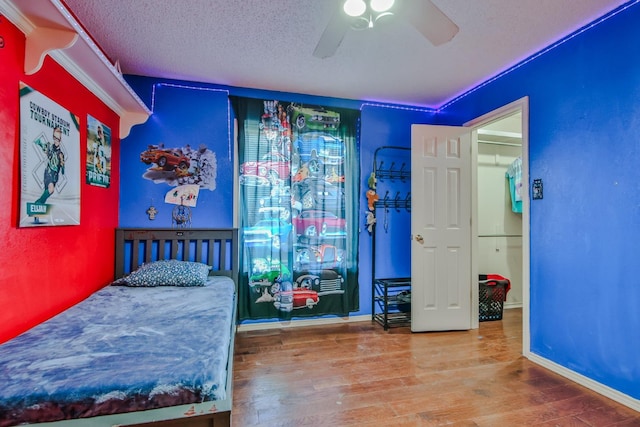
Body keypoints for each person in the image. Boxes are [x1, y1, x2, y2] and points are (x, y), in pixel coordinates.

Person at [35, 126, 65, 204]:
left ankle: (37, 209)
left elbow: (62, 168)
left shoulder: (61, 154)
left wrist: (62, 166)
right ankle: (37, 204)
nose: (56, 141)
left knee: (46, 193)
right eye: (54, 138)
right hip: (48, 173)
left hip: (54, 177)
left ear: (60, 140)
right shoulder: (50, 147)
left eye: (57, 139)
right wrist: (39, 143)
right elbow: (44, 146)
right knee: (51, 190)